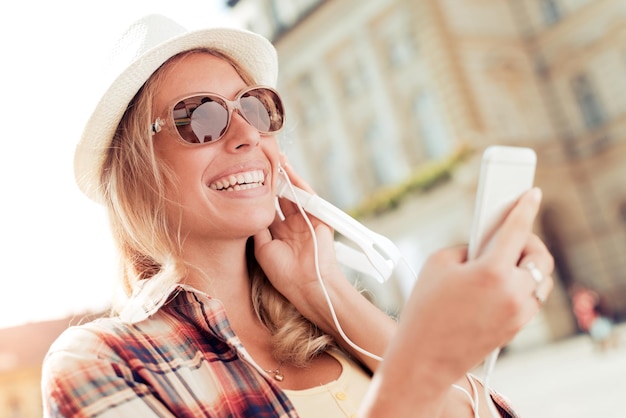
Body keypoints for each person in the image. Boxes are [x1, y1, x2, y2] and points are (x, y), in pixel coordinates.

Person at [41, 14, 554, 418]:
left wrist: (321, 286)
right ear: (136, 172)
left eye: (256, 108)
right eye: (200, 117)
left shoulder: (329, 321)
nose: (247, 135)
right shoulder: (105, 362)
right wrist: (425, 361)